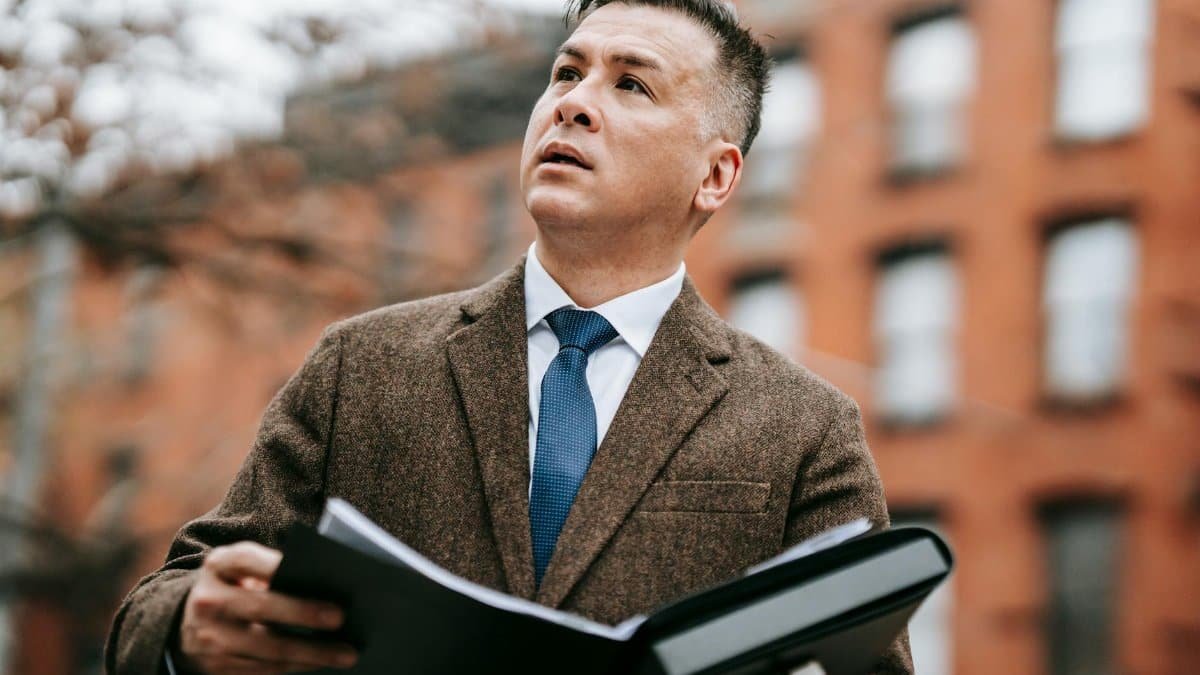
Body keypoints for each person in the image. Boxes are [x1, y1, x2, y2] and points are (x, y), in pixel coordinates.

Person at [105, 1, 913, 673]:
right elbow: (166, 599)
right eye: (567, 72)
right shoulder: (362, 365)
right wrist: (187, 629)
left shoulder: (807, 429)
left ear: (716, 175)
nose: (574, 102)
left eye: (631, 84)